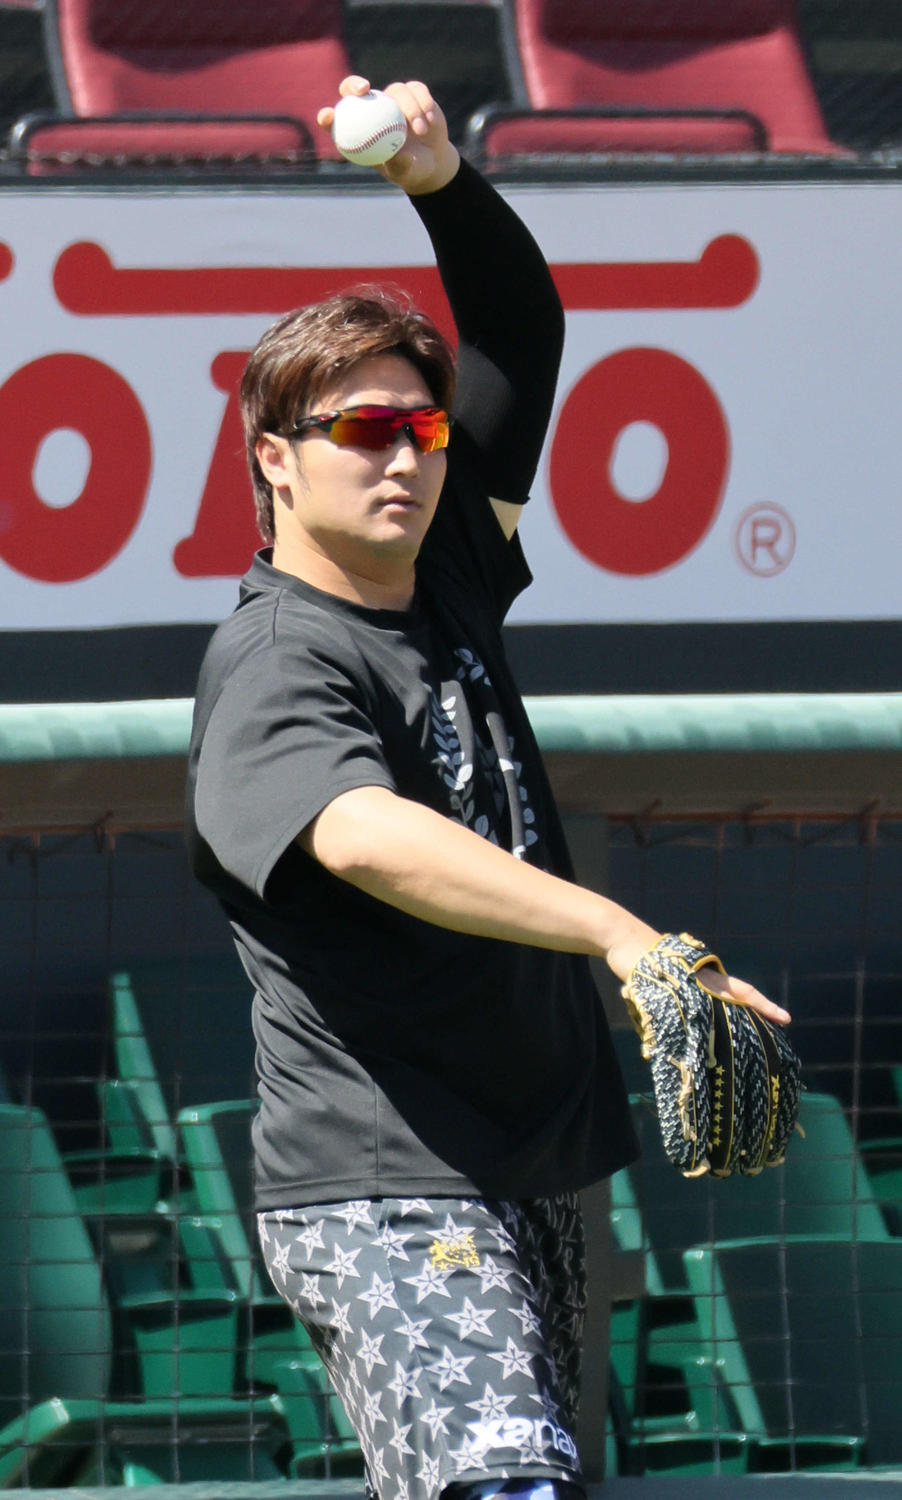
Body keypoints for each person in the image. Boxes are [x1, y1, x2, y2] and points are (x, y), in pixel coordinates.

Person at [185, 77, 790, 1500]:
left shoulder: (445, 565)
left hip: (536, 1159)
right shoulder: (275, 658)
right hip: (383, 1178)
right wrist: (618, 934)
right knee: (500, 1482)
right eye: (360, 432)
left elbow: (517, 334)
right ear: (275, 460)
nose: (402, 454)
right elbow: (361, 835)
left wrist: (440, 178)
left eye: (421, 431)